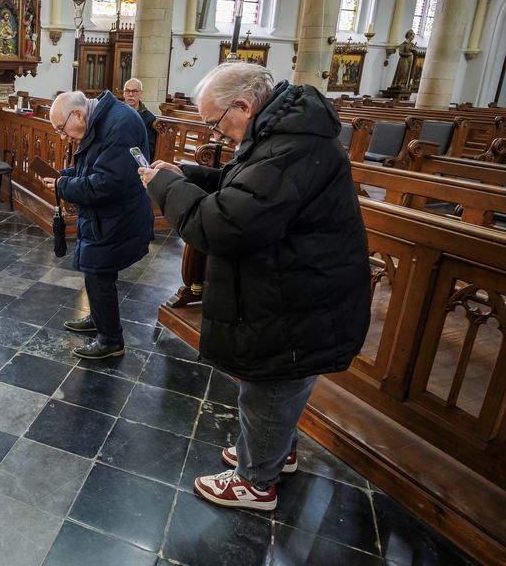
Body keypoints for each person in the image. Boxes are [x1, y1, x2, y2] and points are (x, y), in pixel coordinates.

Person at [138, 62, 370, 510]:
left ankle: (255, 481)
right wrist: (190, 174)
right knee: (278, 389)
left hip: (299, 299)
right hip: (299, 291)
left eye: (216, 123)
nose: (217, 136)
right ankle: (271, 452)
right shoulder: (285, 131)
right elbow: (246, 187)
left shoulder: (292, 145)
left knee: (271, 386)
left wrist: (165, 186)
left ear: (242, 105)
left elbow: (224, 224)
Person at [42, 91, 154, 359]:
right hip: (104, 217)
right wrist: (65, 175)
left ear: (78, 114)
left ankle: (111, 340)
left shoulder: (119, 123)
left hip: (117, 216)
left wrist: (63, 185)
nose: (62, 135)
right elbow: (93, 167)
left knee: (98, 272)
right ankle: (99, 319)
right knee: (97, 272)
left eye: (61, 128)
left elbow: (108, 183)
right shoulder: (101, 119)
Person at [122, 78, 157, 156]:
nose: (130, 94)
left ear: (141, 93)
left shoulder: (149, 118)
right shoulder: (115, 111)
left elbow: (149, 148)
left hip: (133, 158)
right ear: (123, 93)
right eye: (127, 91)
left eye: (134, 91)